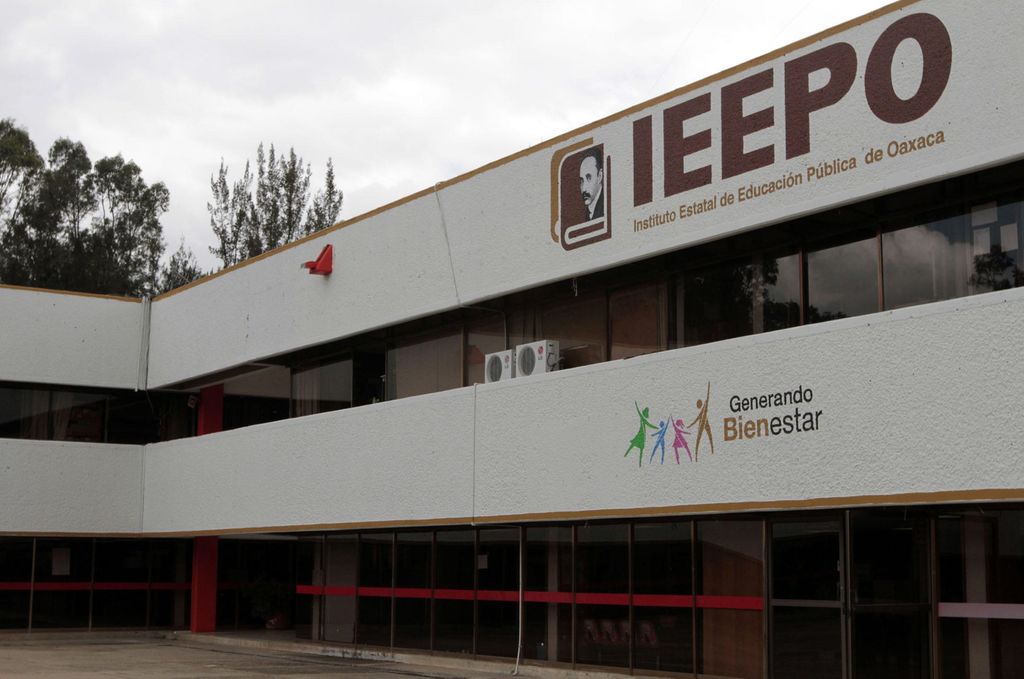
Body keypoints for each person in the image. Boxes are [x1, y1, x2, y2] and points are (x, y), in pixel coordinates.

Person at [579, 148, 604, 220]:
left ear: (600, 176)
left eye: (589, 178)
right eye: (582, 180)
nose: (584, 189)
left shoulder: (608, 206)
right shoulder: (587, 214)